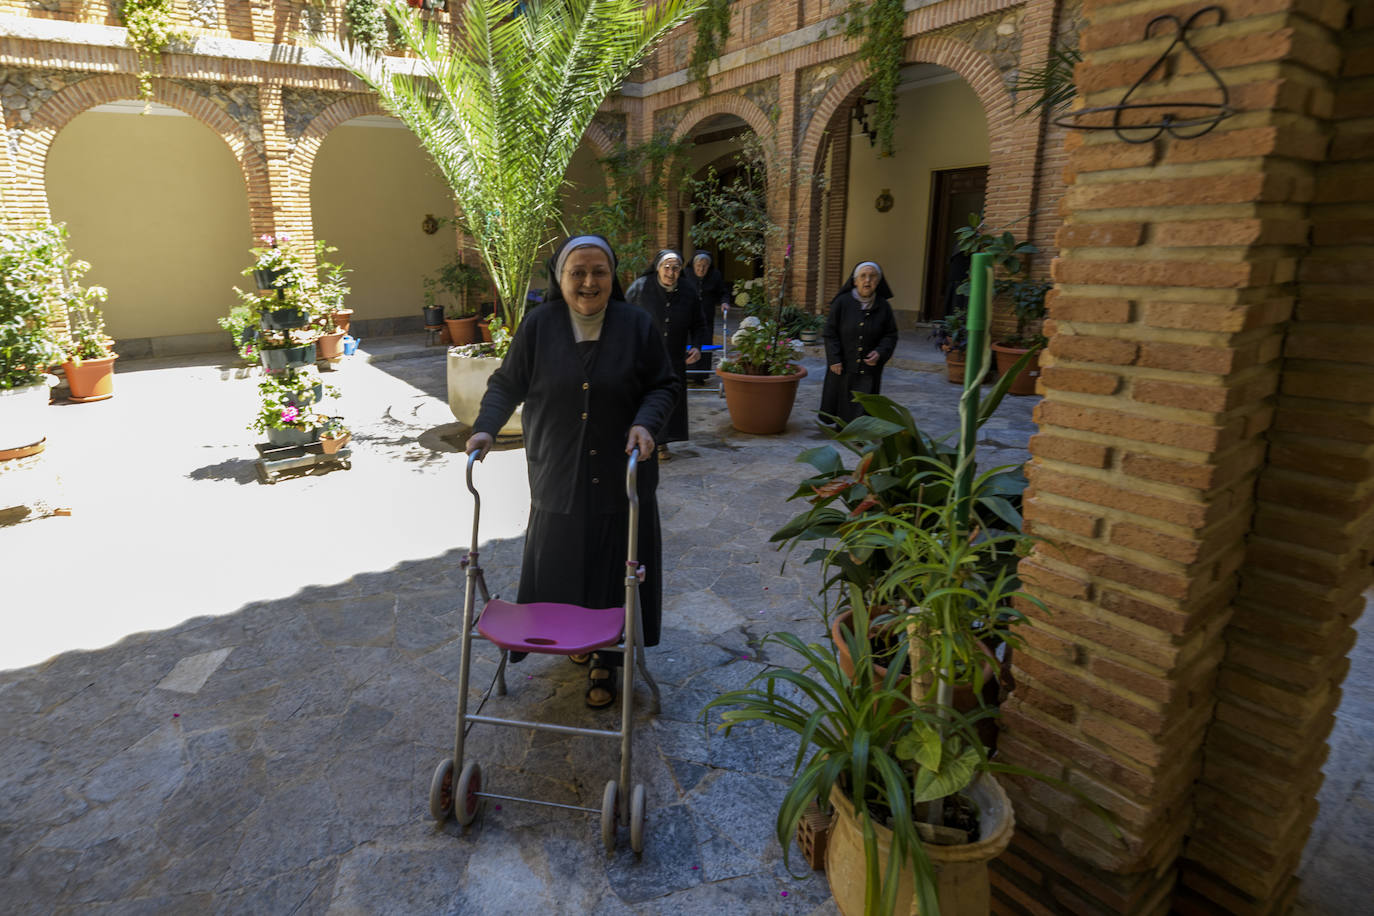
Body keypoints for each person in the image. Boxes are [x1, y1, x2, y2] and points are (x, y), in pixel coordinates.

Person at [466, 235, 681, 708]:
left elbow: (663, 386)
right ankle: (574, 638)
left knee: (615, 565)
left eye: (598, 271)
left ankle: (608, 656)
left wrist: (646, 424)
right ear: (559, 277)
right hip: (557, 470)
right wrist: (485, 428)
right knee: (562, 560)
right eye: (576, 272)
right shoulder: (540, 326)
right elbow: (506, 384)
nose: (588, 282)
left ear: (613, 276)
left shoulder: (637, 325)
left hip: (622, 474)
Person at [625, 249, 707, 460]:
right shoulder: (640, 288)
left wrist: (697, 346)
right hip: (644, 355)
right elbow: (623, 318)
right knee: (643, 396)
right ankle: (639, 437)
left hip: (674, 357)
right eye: (666, 267)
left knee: (670, 399)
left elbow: (699, 324)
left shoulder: (688, 291)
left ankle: (661, 443)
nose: (671, 273)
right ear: (658, 268)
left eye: (676, 268)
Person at [820, 261, 900, 425]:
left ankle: (860, 431)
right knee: (842, 396)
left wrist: (880, 352)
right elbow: (830, 333)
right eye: (863, 276)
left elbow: (890, 335)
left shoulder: (883, 307)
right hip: (843, 364)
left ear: (878, 281)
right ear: (855, 281)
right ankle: (843, 427)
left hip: (869, 367)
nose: (867, 280)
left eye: (872, 276)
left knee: (864, 401)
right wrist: (834, 358)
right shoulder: (841, 303)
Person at [689, 251, 729, 373]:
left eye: (705, 266)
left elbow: (723, 292)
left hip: (706, 316)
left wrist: (724, 302)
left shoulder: (715, 275)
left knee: (705, 343)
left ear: (709, 266)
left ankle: (702, 374)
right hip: (688, 316)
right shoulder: (685, 274)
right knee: (689, 344)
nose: (701, 269)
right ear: (694, 265)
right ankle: (689, 374)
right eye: (699, 265)